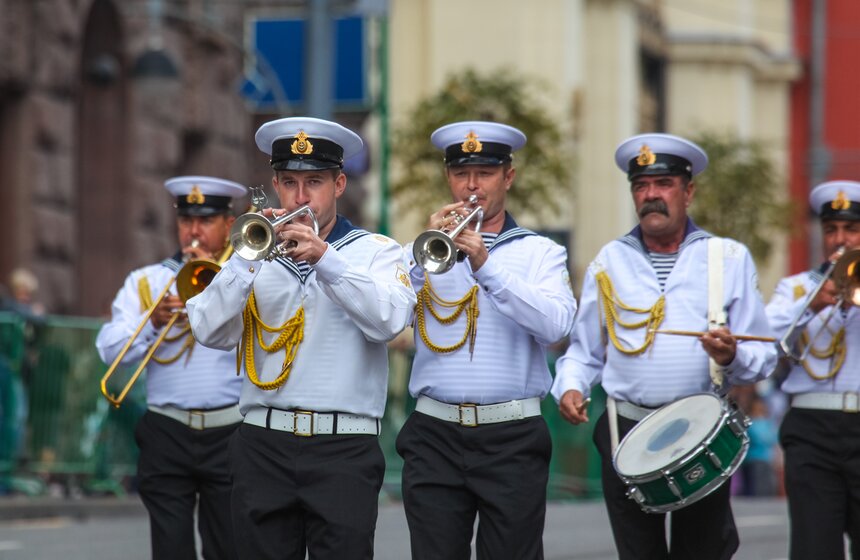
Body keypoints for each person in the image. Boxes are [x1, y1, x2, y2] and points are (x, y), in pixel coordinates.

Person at [186, 117, 415, 560]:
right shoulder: (252, 256)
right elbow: (207, 329)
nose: (301, 197)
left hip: (343, 447)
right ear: (275, 184)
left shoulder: (377, 251)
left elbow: (389, 321)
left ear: (340, 183)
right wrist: (244, 263)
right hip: (262, 444)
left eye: (315, 182)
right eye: (289, 182)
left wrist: (325, 258)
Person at [551, 133, 777, 560]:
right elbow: (583, 351)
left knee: (704, 551)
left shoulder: (726, 258)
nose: (651, 195)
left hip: (701, 432)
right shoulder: (609, 261)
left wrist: (731, 356)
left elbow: (763, 355)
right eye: (641, 186)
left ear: (688, 191)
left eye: (663, 184)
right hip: (625, 431)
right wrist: (570, 387)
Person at [396, 121, 577, 560]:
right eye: (461, 174)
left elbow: (556, 327)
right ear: (448, 178)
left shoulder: (540, 252)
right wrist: (421, 256)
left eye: (485, 173)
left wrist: (485, 263)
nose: (472, 185)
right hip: (434, 434)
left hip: (511, 436)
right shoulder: (421, 250)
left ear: (508, 177)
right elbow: (384, 316)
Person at [96, 176, 247, 560]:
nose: (193, 231)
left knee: (228, 546)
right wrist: (152, 321)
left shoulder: (244, 278)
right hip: (167, 430)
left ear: (229, 225)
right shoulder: (148, 282)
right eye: (185, 221)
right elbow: (108, 349)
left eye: (206, 221)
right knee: (170, 547)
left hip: (228, 431)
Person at [766, 180, 860, 559]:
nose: (839, 240)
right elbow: (759, 345)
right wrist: (810, 305)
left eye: (851, 230)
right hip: (811, 426)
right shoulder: (794, 289)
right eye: (831, 230)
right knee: (813, 548)